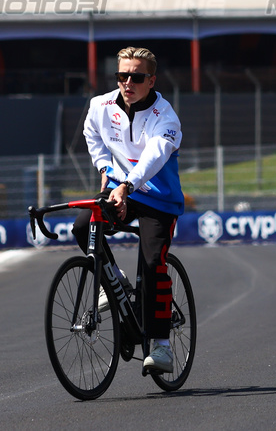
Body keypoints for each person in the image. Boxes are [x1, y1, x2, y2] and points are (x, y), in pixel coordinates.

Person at [74, 46, 184, 374]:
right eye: (122, 75)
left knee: (152, 263)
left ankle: (161, 346)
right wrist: (106, 169)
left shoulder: (165, 117)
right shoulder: (101, 106)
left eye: (136, 77)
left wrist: (127, 185)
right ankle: (117, 283)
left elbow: (154, 156)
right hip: (120, 188)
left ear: (152, 80)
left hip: (159, 198)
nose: (127, 82)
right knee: (83, 227)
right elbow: (91, 133)